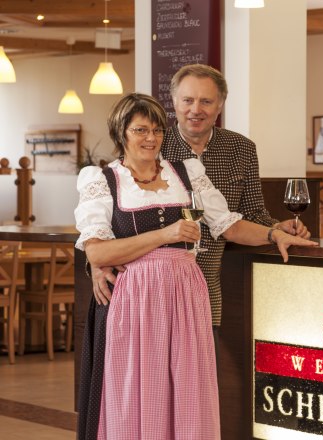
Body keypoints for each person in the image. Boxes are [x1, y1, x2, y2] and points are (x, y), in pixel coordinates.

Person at [75, 93, 316, 439]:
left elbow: (228, 225)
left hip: (185, 295)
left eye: (157, 130)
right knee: (135, 391)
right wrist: (165, 234)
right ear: (121, 132)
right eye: (140, 130)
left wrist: (273, 233)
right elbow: (97, 253)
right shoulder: (103, 181)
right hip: (134, 302)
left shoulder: (185, 174)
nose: (150, 138)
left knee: (187, 388)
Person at [92, 64, 309, 334]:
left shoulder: (240, 148)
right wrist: (96, 263)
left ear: (220, 105)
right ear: (174, 103)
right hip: (144, 285)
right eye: (188, 100)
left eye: (206, 101)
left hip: (216, 276)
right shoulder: (154, 146)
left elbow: (249, 214)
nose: (196, 109)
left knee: (204, 362)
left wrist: (275, 230)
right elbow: (107, 219)